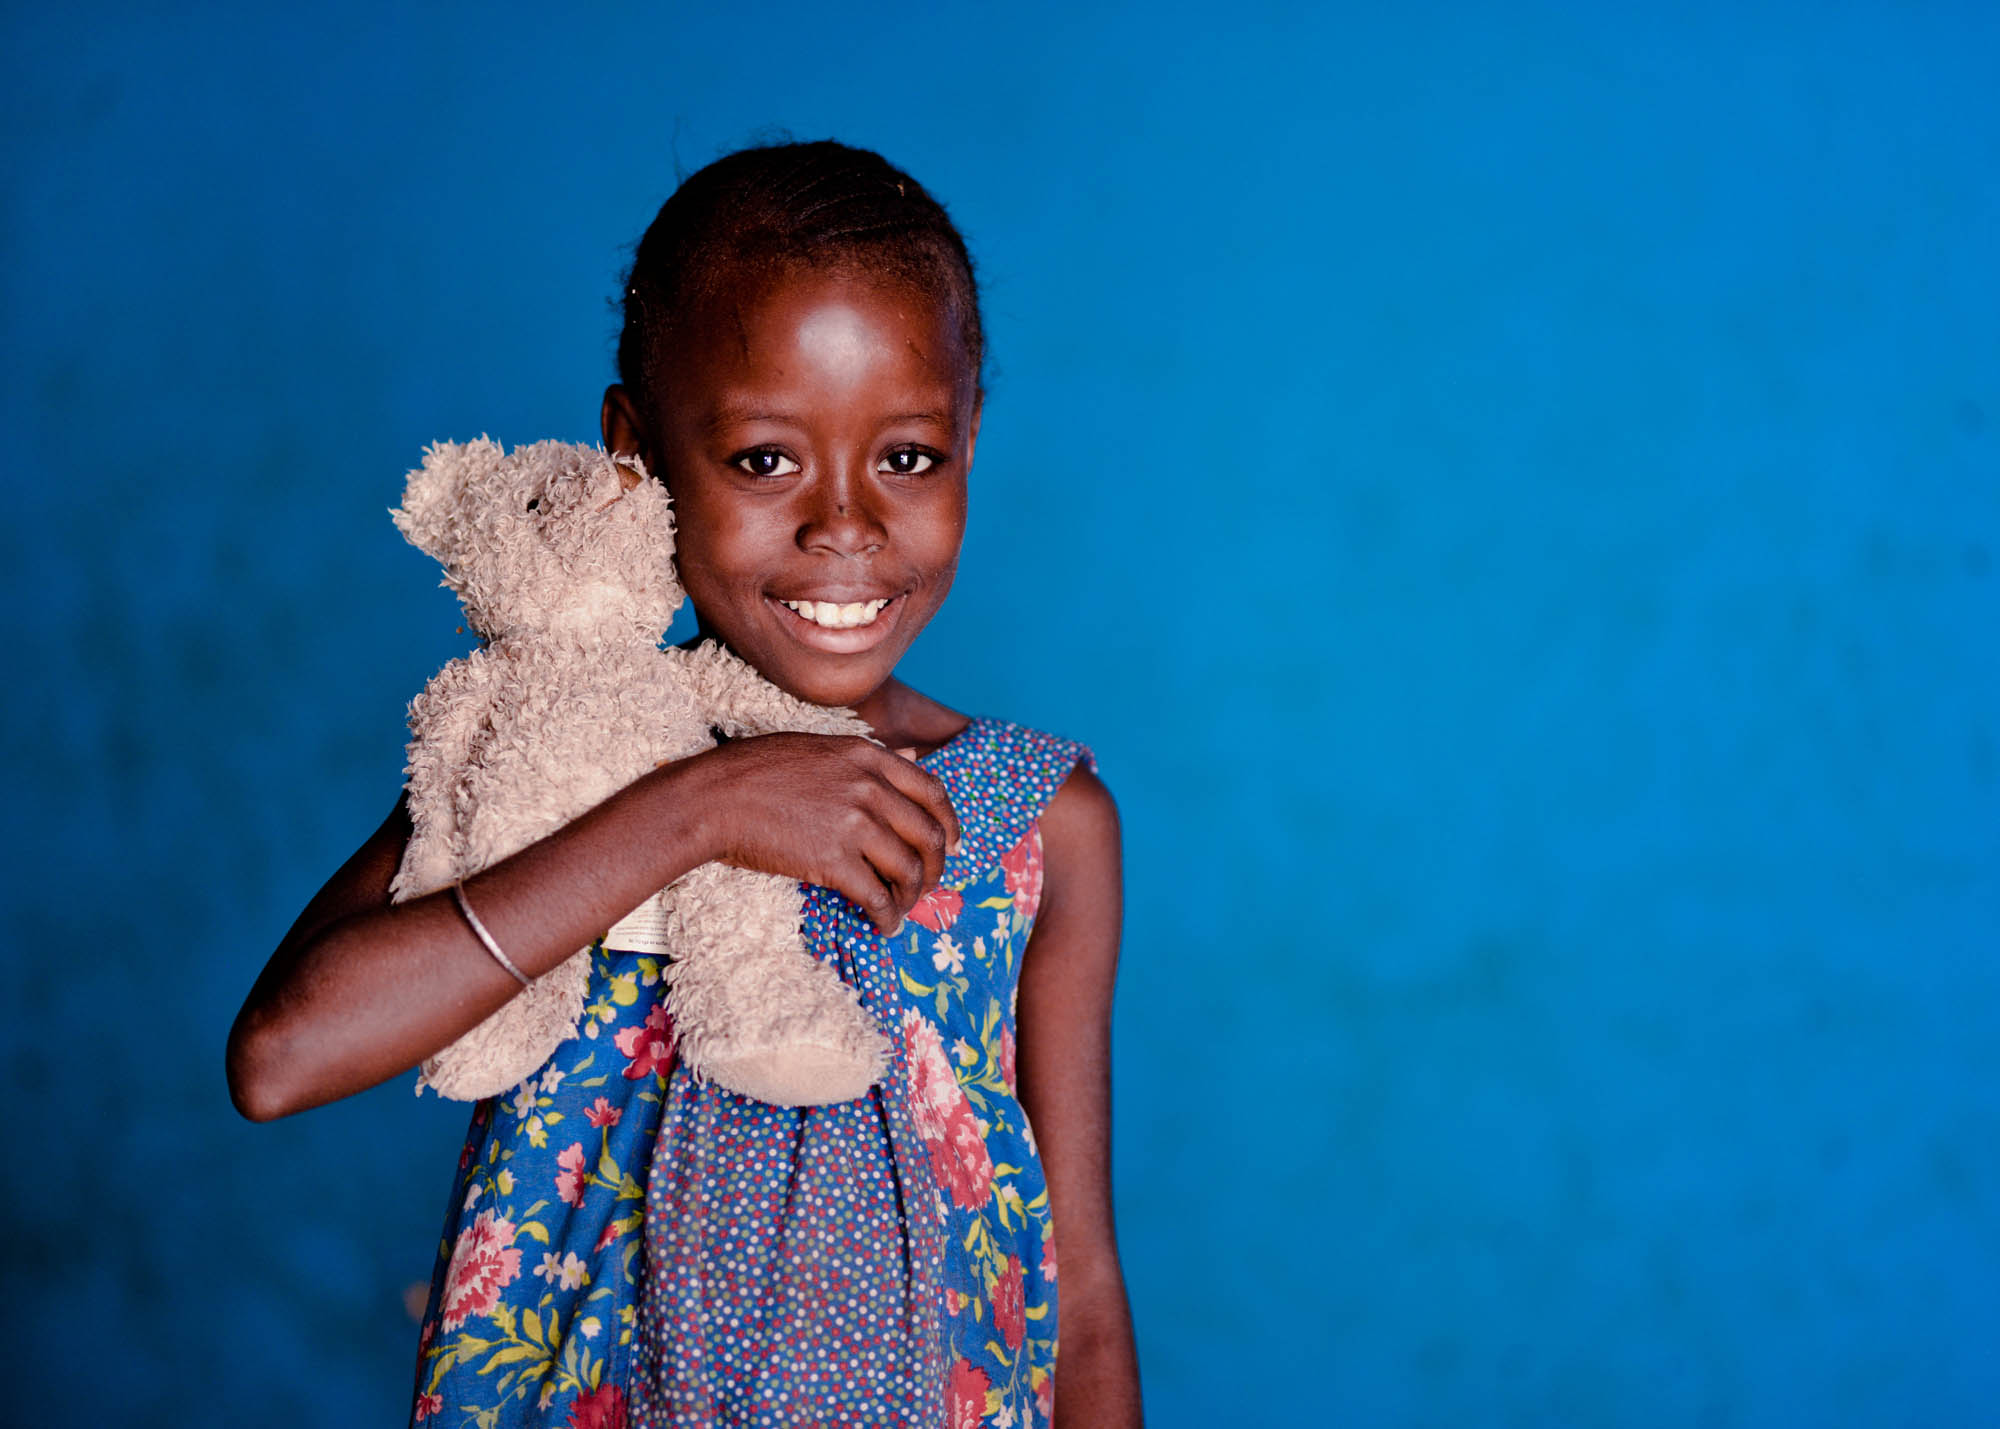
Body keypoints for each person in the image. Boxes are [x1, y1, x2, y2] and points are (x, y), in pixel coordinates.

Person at [227, 139, 1141, 1429]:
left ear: (972, 436)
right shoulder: (554, 751)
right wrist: (699, 809)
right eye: (766, 459)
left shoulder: (1045, 824)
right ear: (637, 452)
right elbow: (279, 1058)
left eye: (909, 457)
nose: (845, 525)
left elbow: (1082, 1294)